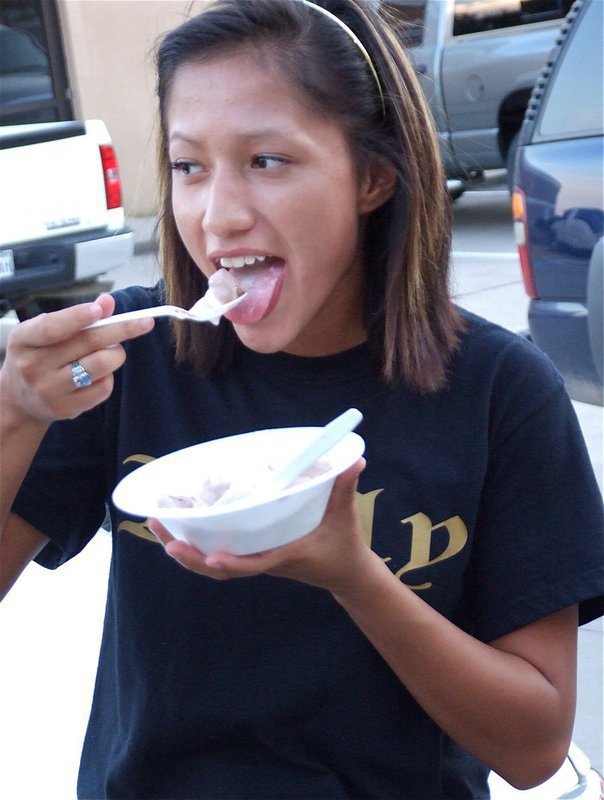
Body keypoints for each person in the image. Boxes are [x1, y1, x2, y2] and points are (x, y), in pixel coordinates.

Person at [1, 0, 602, 797]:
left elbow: (533, 748)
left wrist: (355, 576)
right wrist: (15, 413)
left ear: (373, 178)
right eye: (188, 166)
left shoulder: (501, 393)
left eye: (267, 160)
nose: (218, 215)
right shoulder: (131, 358)